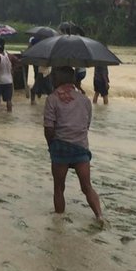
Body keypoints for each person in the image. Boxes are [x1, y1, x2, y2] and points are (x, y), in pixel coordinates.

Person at [43, 66, 104, 225]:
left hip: (61, 147)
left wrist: (52, 146)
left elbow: (49, 128)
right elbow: (87, 124)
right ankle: (99, 216)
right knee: (87, 187)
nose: (51, 79)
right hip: (81, 148)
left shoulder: (52, 99)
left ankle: (59, 221)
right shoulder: (84, 100)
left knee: (59, 188)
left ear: (58, 79)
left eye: (53, 77)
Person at [0, 38, 19, 112]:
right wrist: (13, 70)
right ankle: (9, 113)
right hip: (9, 81)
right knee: (8, 100)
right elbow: (18, 61)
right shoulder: (9, 55)